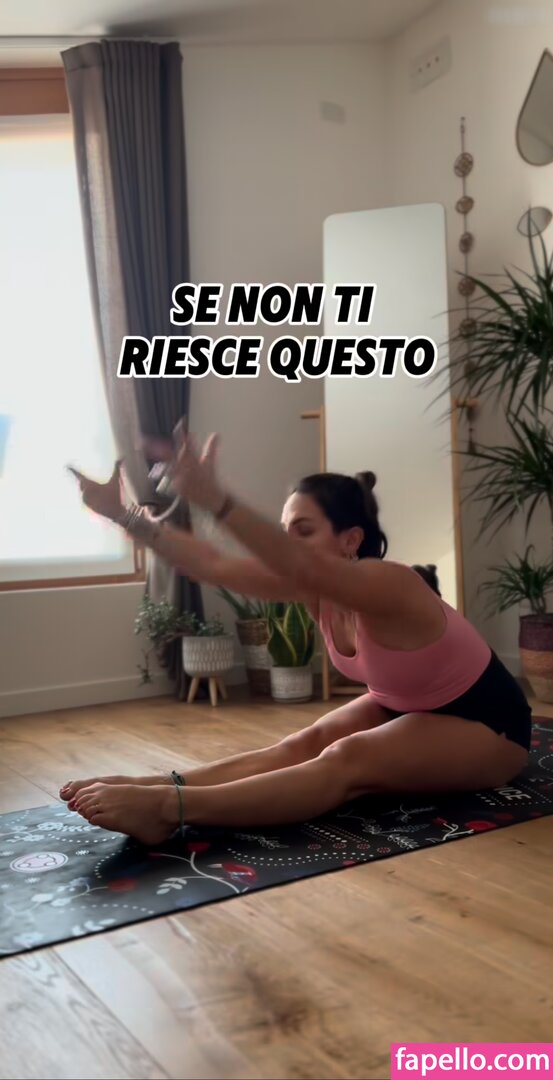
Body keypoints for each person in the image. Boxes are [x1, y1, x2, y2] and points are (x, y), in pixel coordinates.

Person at [61, 434, 531, 845]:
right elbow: (214, 566)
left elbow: (295, 562)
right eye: (285, 531)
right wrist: (122, 514)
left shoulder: (392, 584)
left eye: (302, 531)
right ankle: (162, 785)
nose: (286, 544)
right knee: (300, 744)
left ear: (351, 540)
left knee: (348, 757)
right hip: (404, 705)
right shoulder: (314, 590)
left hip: (489, 727)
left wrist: (216, 499)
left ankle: (168, 811)